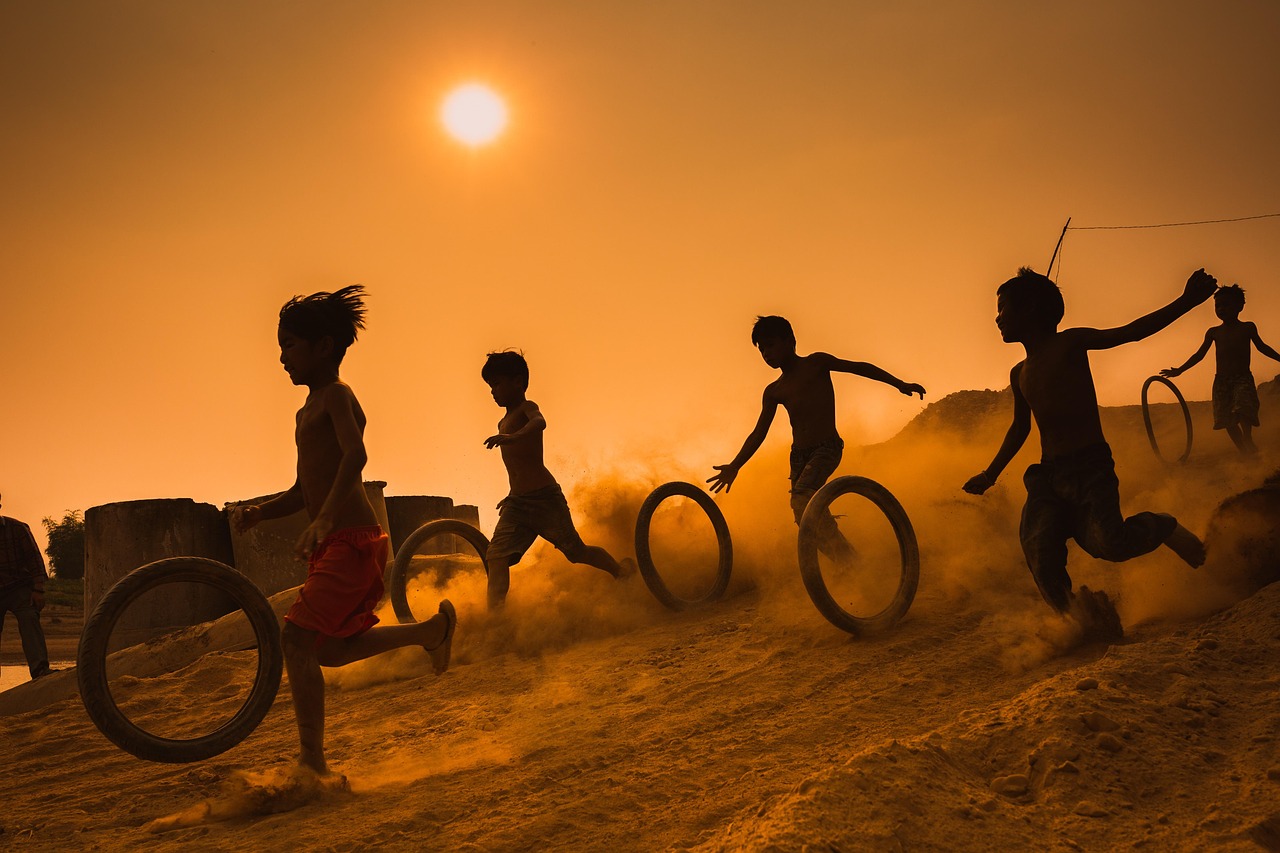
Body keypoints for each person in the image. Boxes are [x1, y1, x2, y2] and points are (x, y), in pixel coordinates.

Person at [233, 285, 455, 780]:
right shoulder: (304, 412)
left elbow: (356, 457)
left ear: (323, 347)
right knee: (326, 650)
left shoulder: (337, 395)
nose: (282, 358)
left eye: (290, 345)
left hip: (353, 541)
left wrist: (329, 517)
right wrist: (261, 512)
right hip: (339, 539)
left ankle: (312, 762)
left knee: (295, 639)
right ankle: (430, 633)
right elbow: (302, 488)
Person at [963, 267, 1216, 636]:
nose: (997, 317)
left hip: (1090, 468)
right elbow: (1020, 429)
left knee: (1110, 545)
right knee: (1037, 548)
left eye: (1003, 308)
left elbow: (1131, 333)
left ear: (1031, 308)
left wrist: (1187, 301)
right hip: (1048, 476)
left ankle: (1163, 526)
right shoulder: (1019, 372)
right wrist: (990, 474)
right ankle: (1078, 621)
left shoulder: (1070, 343)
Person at [708, 316, 926, 558]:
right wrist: (735, 466)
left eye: (770, 345)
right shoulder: (774, 391)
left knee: (803, 498)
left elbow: (859, 367)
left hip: (826, 449)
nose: (766, 353)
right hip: (799, 458)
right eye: (761, 349)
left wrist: (899, 383)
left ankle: (848, 560)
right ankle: (847, 561)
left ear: (790, 341)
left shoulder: (816, 363)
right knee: (804, 516)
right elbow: (759, 432)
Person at [481, 351, 633, 610]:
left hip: (544, 499)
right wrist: (510, 494)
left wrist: (514, 437)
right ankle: (494, 621)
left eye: (497, 384)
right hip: (517, 504)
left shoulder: (526, 409)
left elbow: (540, 423)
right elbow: (516, 467)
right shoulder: (502, 421)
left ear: (518, 382)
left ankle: (621, 571)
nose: (493, 391)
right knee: (496, 556)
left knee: (576, 552)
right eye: (490, 386)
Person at [1162, 283, 1280, 455]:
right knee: (1226, 419)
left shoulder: (1248, 327)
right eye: (1218, 305)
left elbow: (1262, 347)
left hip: (1242, 378)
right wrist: (1180, 370)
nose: (1221, 308)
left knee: (1243, 406)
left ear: (1239, 306)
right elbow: (1199, 355)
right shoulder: (1213, 332)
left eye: (1226, 304)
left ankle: (1247, 437)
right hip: (1221, 381)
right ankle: (1243, 451)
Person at [0, 492, 53, 681]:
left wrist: (38, 589)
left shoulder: (17, 528)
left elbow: (34, 560)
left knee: (29, 619)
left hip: (19, 587)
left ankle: (39, 669)